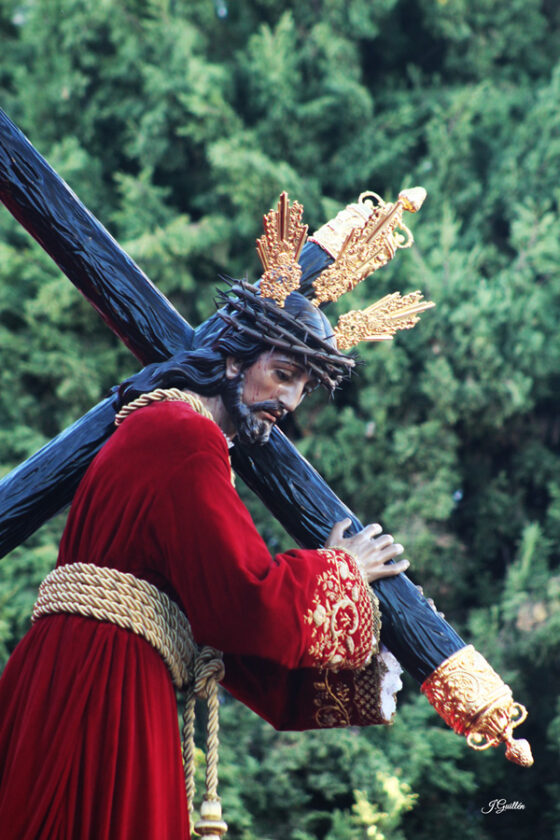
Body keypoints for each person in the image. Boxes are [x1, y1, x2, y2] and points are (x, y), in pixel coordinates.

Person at [0, 280, 410, 838]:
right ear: (235, 361)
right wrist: (342, 570)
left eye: (304, 388)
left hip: (67, 672)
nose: (290, 402)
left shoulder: (162, 428)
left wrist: (355, 679)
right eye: (283, 374)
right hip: (105, 681)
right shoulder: (186, 436)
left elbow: (217, 621)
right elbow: (244, 601)